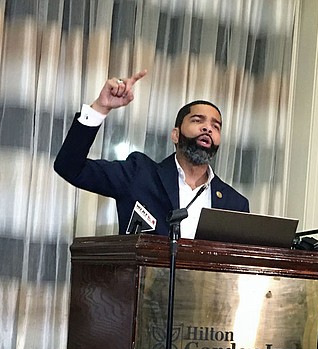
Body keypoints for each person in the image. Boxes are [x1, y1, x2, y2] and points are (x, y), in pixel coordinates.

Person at [54, 70, 249, 238]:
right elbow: (70, 167)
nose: (207, 128)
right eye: (198, 120)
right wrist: (101, 107)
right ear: (175, 134)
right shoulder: (138, 174)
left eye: (215, 126)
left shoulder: (235, 204)